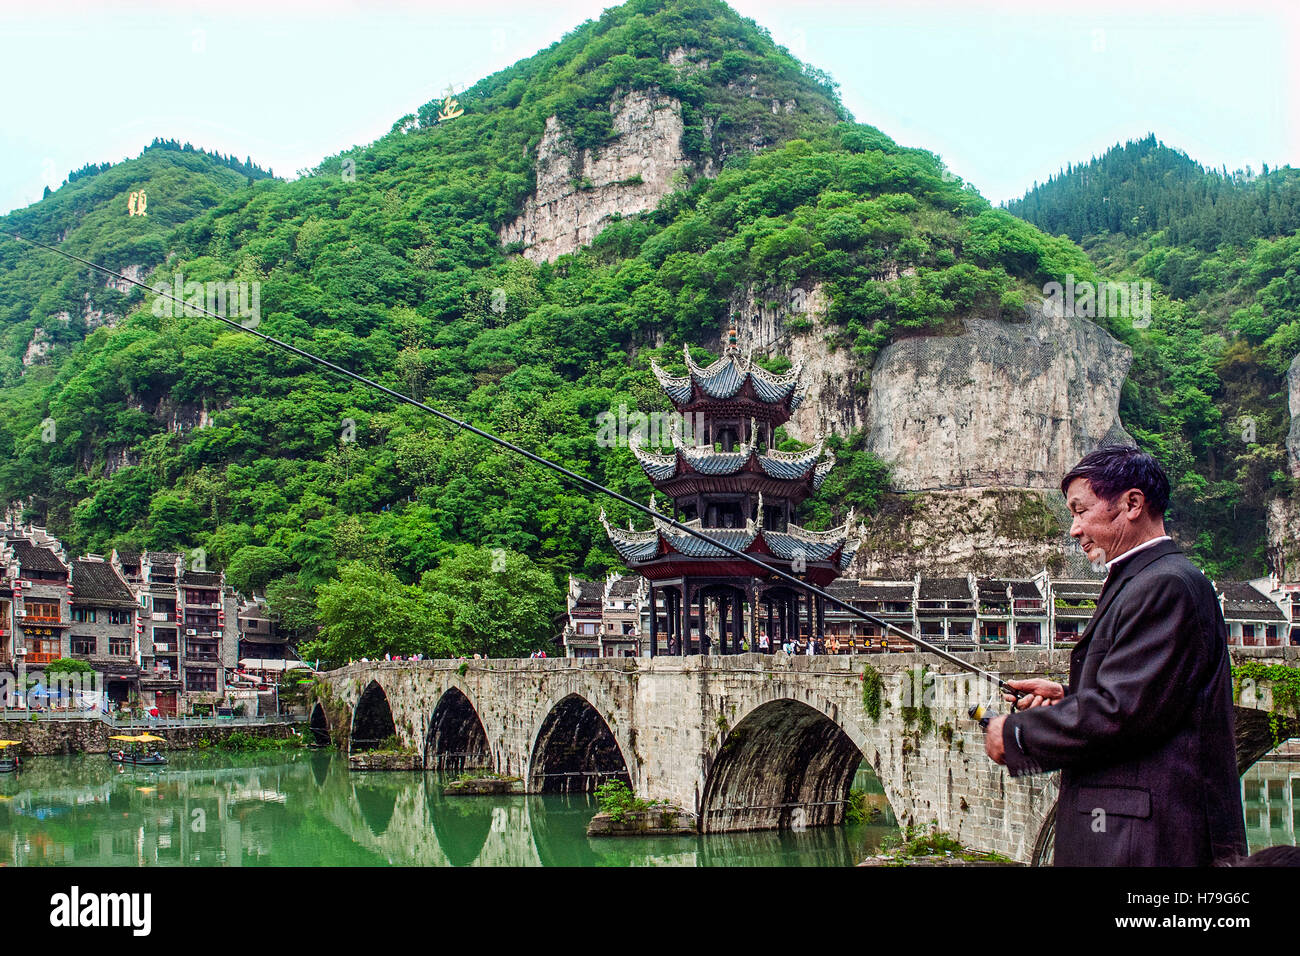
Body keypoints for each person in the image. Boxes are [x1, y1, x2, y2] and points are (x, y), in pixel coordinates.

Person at [984, 445, 1247, 866]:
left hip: (1147, 844)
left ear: (1132, 503)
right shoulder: (1141, 579)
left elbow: (1123, 712)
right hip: (1130, 836)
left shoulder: (1167, 585)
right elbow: (1150, 698)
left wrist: (1018, 734)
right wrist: (1068, 696)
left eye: (1080, 510)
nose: (1073, 529)